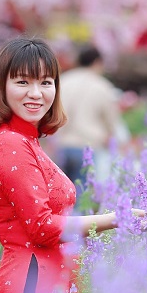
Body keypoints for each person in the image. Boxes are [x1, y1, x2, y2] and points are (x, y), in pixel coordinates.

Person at [0, 37, 143, 293]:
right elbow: (42, 227)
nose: (36, 93)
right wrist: (116, 219)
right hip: (31, 282)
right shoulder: (10, 144)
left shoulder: (26, 140)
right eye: (23, 82)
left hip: (45, 277)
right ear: (1, 86)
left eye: (46, 82)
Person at [52, 45, 133, 189]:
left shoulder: (64, 81)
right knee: (82, 193)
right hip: (88, 146)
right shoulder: (102, 86)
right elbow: (112, 121)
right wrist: (118, 141)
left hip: (62, 145)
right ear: (97, 62)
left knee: (60, 191)